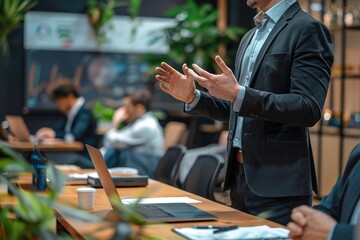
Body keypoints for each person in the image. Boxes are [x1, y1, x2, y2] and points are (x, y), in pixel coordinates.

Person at [155, 0, 334, 225]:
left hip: (278, 185)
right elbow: (238, 107)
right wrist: (193, 97)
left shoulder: (307, 29)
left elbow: (308, 107)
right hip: (239, 178)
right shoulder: (250, 37)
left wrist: (240, 94)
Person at [287, 143, 360, 240]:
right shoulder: (358, 154)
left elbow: (331, 231)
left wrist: (334, 233)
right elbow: (330, 207)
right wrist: (306, 220)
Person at [101, 89, 164, 178]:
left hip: (145, 171)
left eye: (127, 108)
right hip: (136, 167)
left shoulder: (145, 126)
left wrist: (115, 122)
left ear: (139, 109)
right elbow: (111, 141)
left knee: (116, 152)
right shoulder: (138, 123)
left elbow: (113, 141)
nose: (124, 112)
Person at [36, 83, 98, 167]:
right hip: (73, 155)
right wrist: (50, 132)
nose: (58, 105)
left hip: (83, 158)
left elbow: (73, 136)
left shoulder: (84, 112)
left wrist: (54, 134)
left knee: (43, 158)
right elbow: (59, 129)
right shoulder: (71, 113)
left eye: (59, 101)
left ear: (70, 97)